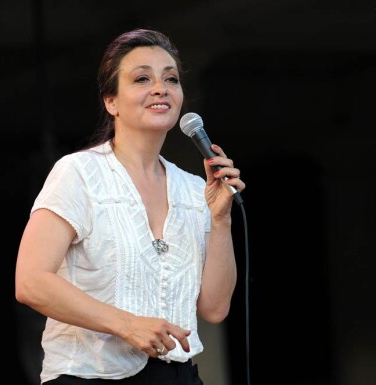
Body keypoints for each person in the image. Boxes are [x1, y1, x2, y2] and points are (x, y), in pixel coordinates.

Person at [14, 28, 245, 385]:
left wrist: (221, 219)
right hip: (89, 375)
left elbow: (214, 309)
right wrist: (127, 324)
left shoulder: (194, 189)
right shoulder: (79, 173)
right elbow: (31, 282)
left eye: (171, 79)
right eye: (142, 78)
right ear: (111, 102)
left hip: (177, 376)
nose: (160, 88)